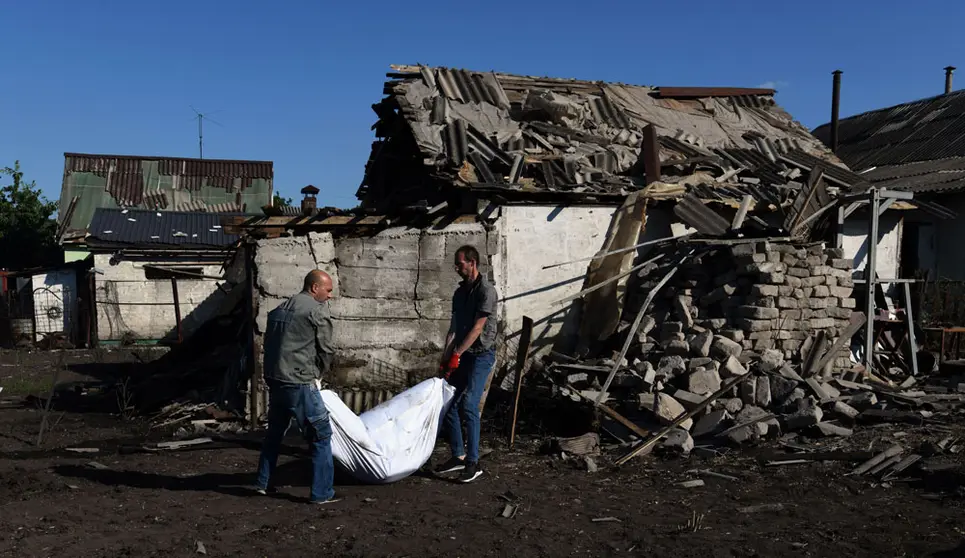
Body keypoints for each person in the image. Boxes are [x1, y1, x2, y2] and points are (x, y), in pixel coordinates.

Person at [254, 269, 338, 504]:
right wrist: (318, 373)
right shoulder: (316, 311)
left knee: (274, 435)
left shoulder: (280, 309)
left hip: (276, 380)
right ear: (315, 288)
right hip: (300, 382)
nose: (330, 296)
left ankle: (263, 482)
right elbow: (327, 349)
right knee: (321, 435)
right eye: (328, 290)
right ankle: (322, 493)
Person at [434, 245, 499, 483]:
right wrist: (446, 357)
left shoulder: (486, 291)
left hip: (481, 354)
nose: (457, 268)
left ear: (472, 263)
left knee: (469, 405)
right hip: (463, 354)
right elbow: (454, 328)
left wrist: (457, 354)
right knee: (449, 405)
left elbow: (477, 328)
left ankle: (473, 462)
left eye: (459, 263)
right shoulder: (459, 293)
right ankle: (458, 456)